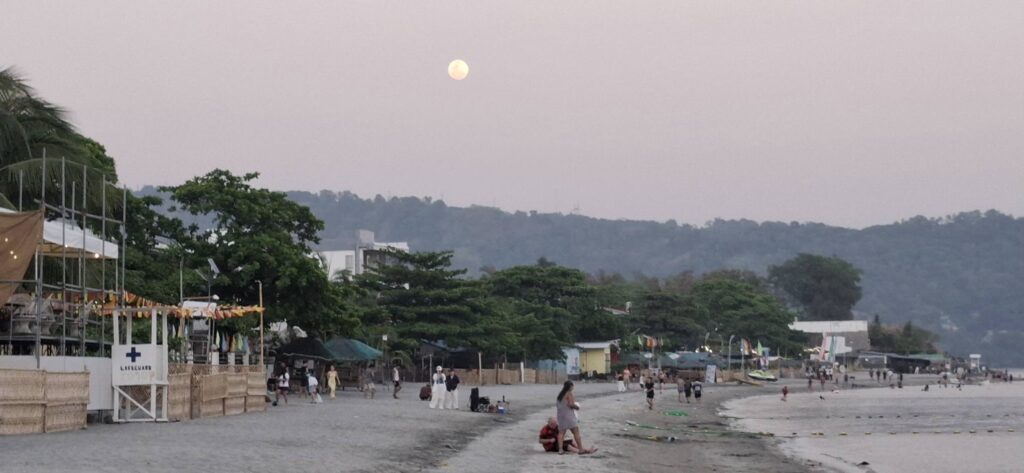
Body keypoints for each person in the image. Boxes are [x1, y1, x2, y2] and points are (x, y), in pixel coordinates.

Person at [555, 381, 596, 455]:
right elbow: (570, 404)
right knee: (576, 432)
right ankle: (580, 449)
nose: (573, 387)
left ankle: (560, 450)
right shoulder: (569, 393)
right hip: (569, 416)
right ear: (570, 386)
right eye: (572, 386)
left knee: (561, 433)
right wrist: (577, 407)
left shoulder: (560, 395)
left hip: (561, 416)